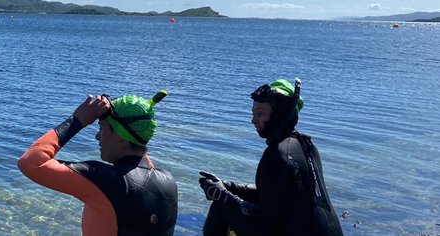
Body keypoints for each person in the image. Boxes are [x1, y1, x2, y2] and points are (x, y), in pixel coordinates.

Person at [18, 92, 178, 235]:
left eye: (102, 129)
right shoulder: (168, 182)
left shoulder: (106, 180)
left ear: (121, 136)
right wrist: (140, 114)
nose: (97, 137)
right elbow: (142, 161)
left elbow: (31, 163)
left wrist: (77, 120)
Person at [197, 79, 343, 236]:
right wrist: (229, 187)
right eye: (253, 114)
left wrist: (223, 196)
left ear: (280, 113)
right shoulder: (306, 145)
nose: (253, 120)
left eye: (260, 114)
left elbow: (267, 216)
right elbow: (276, 196)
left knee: (222, 207)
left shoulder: (278, 154)